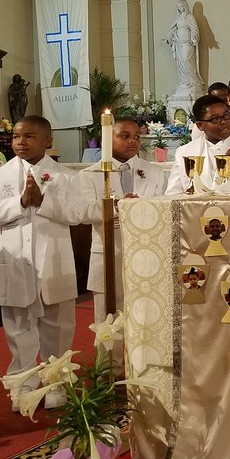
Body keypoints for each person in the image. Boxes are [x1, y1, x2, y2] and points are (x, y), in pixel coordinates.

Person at [0, 116, 85, 411]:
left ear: (48, 141)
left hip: (53, 263)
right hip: (16, 263)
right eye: (16, 137)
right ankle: (23, 382)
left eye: (29, 136)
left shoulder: (65, 176)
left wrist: (42, 202)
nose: (21, 142)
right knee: (19, 326)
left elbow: (76, 214)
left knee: (57, 325)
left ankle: (57, 381)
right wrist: (21, 203)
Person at [77, 117, 167, 321]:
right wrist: (118, 205)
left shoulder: (155, 172)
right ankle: (110, 355)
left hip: (147, 255)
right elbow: (84, 213)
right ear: (108, 138)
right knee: (108, 321)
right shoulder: (89, 175)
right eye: (124, 136)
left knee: (146, 317)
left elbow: (163, 207)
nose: (132, 141)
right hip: (109, 254)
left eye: (136, 137)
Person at [166, 95, 230, 194]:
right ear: (200, 125)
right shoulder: (185, 152)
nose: (223, 122)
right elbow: (173, 193)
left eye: (227, 115)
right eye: (215, 119)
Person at [164, 0, 203, 97]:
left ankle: (192, 81)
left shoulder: (190, 17)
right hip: (178, 43)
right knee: (180, 63)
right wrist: (168, 37)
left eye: (181, 6)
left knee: (186, 60)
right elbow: (173, 30)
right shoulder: (178, 18)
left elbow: (194, 29)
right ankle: (184, 82)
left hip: (187, 42)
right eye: (178, 7)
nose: (180, 8)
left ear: (185, 6)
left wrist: (194, 37)